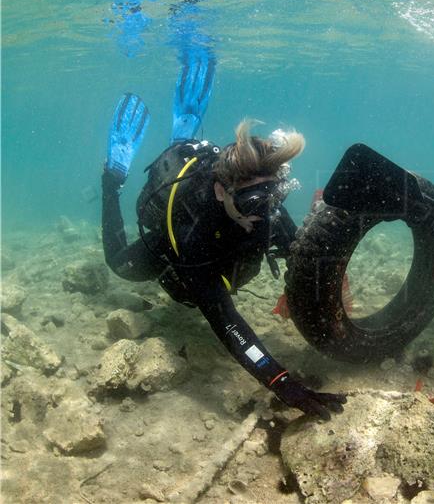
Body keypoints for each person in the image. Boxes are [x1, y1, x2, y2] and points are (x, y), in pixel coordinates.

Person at [101, 57, 346, 420]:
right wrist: (281, 382)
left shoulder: (265, 206)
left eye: (270, 197)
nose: (259, 215)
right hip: (175, 244)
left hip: (222, 247)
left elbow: (301, 257)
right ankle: (111, 181)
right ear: (220, 191)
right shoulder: (193, 236)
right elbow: (226, 321)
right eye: (249, 202)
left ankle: (184, 134)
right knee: (120, 264)